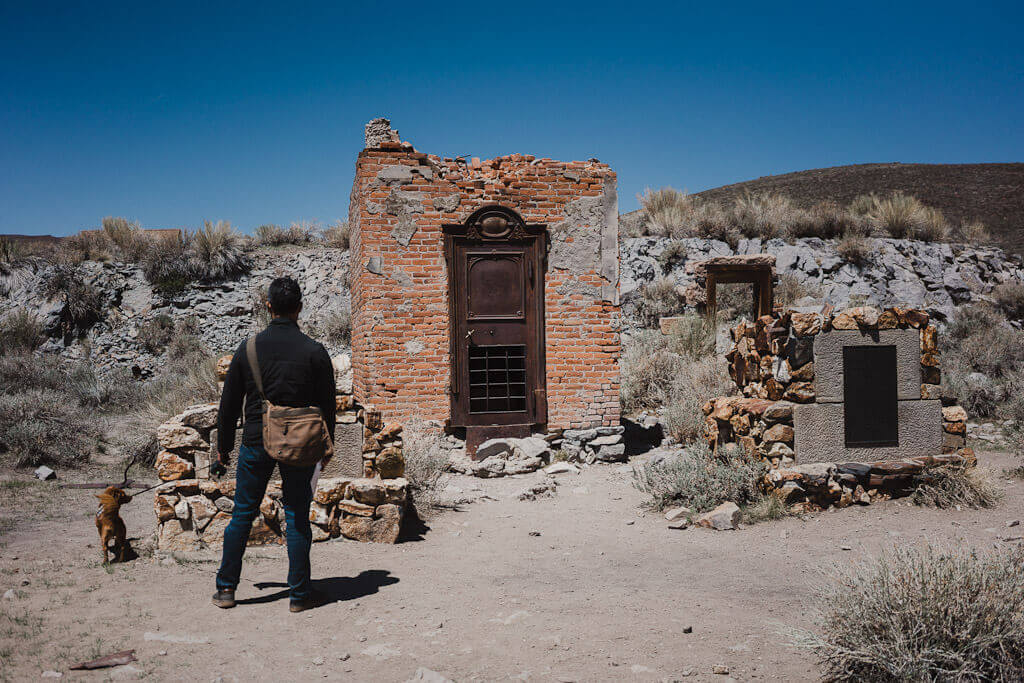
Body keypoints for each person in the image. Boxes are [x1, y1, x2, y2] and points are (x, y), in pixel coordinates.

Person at [211, 276, 336, 612]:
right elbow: (328, 406)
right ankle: (299, 595)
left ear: (268, 307)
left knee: (242, 515)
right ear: (299, 308)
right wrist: (327, 448)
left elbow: (228, 407)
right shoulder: (315, 351)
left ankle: (226, 590)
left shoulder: (248, 348)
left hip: (255, 442)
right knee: (297, 517)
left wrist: (222, 449)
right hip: (301, 444)